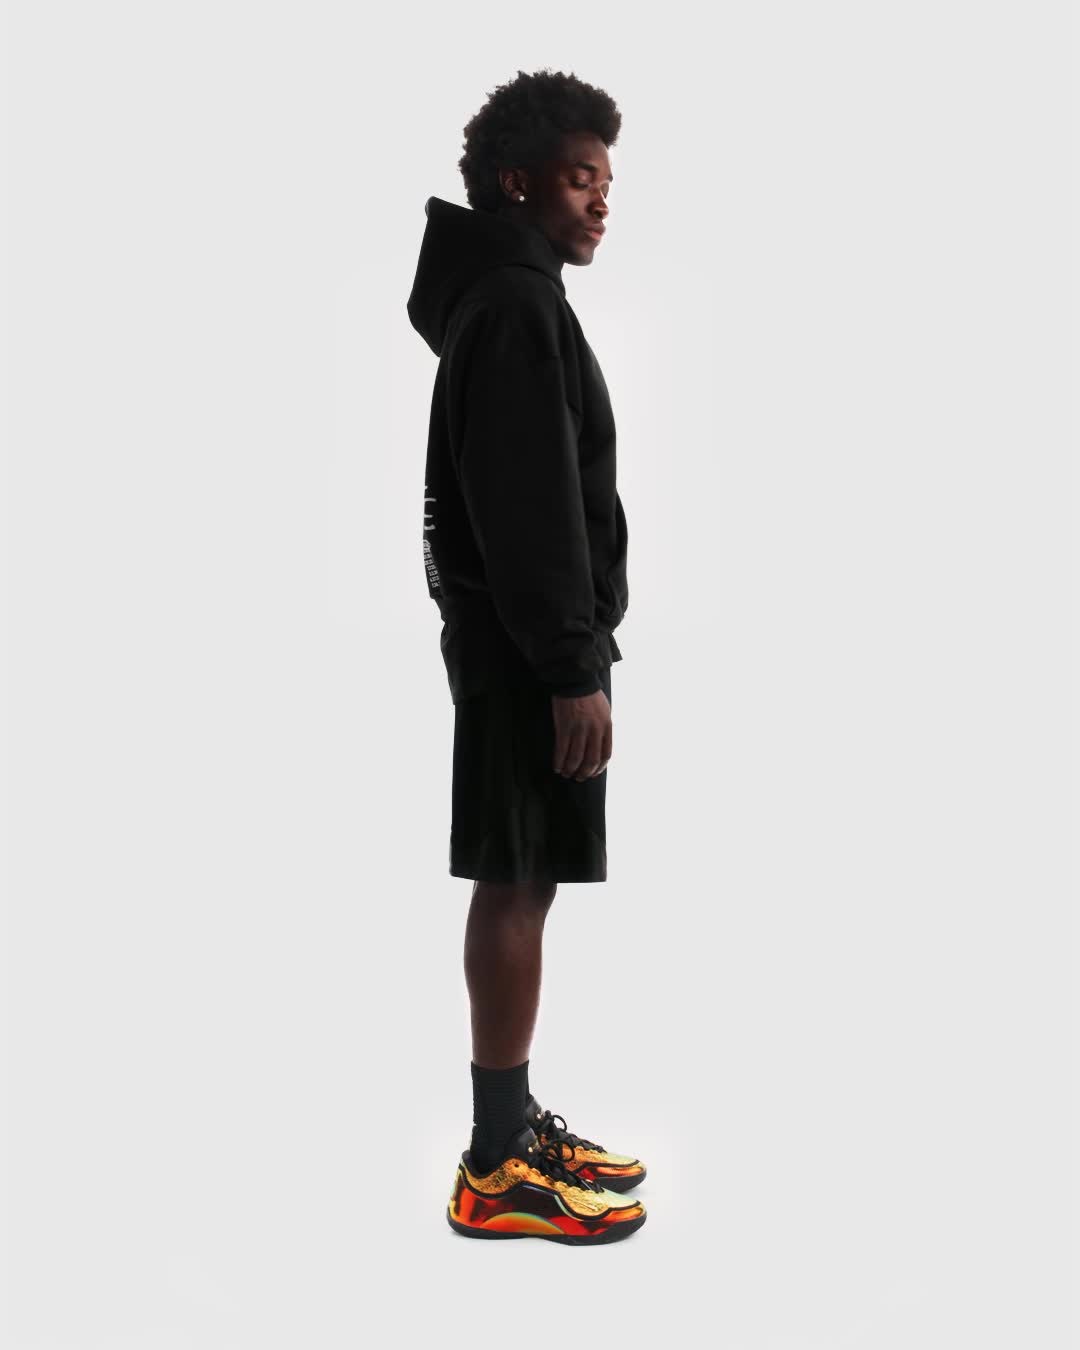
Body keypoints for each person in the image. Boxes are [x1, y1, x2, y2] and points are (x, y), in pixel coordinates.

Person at [406, 68, 646, 1245]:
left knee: (527, 877)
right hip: (527, 656)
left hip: (525, 646)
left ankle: (510, 1130)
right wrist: (569, 667)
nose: (601, 201)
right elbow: (527, 505)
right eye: (580, 177)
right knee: (513, 878)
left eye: (607, 181)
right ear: (517, 182)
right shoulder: (511, 307)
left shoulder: (514, 300)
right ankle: (495, 1166)